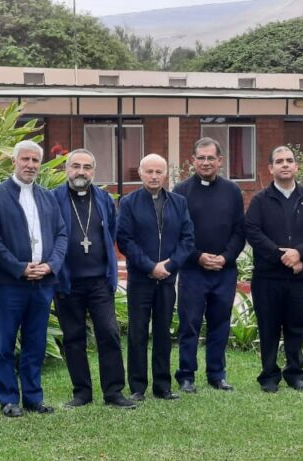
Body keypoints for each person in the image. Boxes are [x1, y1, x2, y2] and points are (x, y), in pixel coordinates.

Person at [0, 140, 68, 417]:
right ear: (14, 161)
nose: (30, 165)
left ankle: (33, 397)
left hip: (43, 283)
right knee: (6, 344)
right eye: (25, 159)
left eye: (35, 161)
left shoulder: (47, 197)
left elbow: (61, 234)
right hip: (10, 284)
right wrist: (19, 267)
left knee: (36, 342)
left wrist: (51, 265)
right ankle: (9, 399)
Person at [51, 149, 136, 409]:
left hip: (99, 280)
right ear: (66, 169)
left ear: (93, 172)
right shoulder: (53, 198)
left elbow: (111, 231)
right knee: (73, 337)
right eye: (76, 166)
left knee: (109, 333)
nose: (81, 171)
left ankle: (114, 392)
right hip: (67, 281)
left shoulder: (103, 198)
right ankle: (82, 393)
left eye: (87, 167)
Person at [244, 145, 303, 393]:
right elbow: (252, 232)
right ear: (270, 168)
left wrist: (300, 253)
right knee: (268, 327)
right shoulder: (260, 200)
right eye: (279, 161)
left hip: (300, 277)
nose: (285, 165)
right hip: (268, 278)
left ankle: (295, 374)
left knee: (297, 326)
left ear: (296, 167)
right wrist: (283, 256)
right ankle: (269, 376)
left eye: (289, 160)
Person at [116, 153, 194, 402]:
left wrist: (169, 265)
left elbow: (187, 239)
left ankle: (163, 386)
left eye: (158, 172)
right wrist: (150, 267)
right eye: (149, 171)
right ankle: (137, 387)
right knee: (138, 333)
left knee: (163, 332)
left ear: (165, 174)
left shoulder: (179, 202)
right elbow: (125, 240)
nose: (153, 176)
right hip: (141, 279)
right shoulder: (129, 202)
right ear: (140, 173)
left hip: (167, 279)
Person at [172, 138, 246, 394]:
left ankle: (217, 374)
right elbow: (177, 232)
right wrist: (198, 256)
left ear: (220, 161)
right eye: (201, 158)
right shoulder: (181, 191)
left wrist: (225, 257)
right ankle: (186, 375)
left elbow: (240, 230)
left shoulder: (232, 191)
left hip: (224, 271)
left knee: (220, 323)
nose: (206, 162)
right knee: (189, 324)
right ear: (193, 160)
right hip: (193, 271)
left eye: (211, 158)